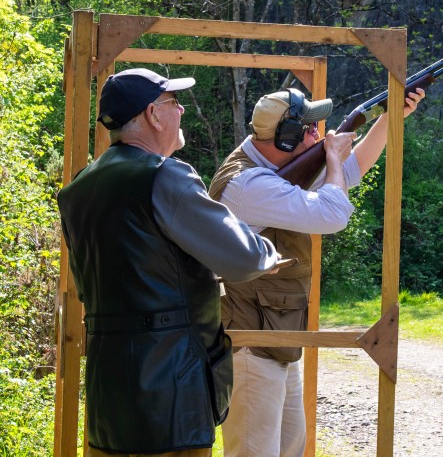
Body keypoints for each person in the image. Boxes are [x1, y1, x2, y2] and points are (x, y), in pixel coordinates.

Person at [57, 68, 281, 457]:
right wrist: (269, 252)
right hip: (172, 393)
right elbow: (245, 258)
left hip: (108, 396)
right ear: (152, 114)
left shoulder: (78, 188)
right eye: (173, 103)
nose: (181, 111)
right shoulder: (165, 176)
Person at [208, 86, 425, 456]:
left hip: (275, 337)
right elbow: (333, 213)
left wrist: (390, 119)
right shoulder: (250, 184)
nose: (318, 133)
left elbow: (350, 173)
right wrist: (334, 160)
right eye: (309, 129)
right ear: (287, 138)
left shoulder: (269, 167)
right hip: (248, 343)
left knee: (291, 446)